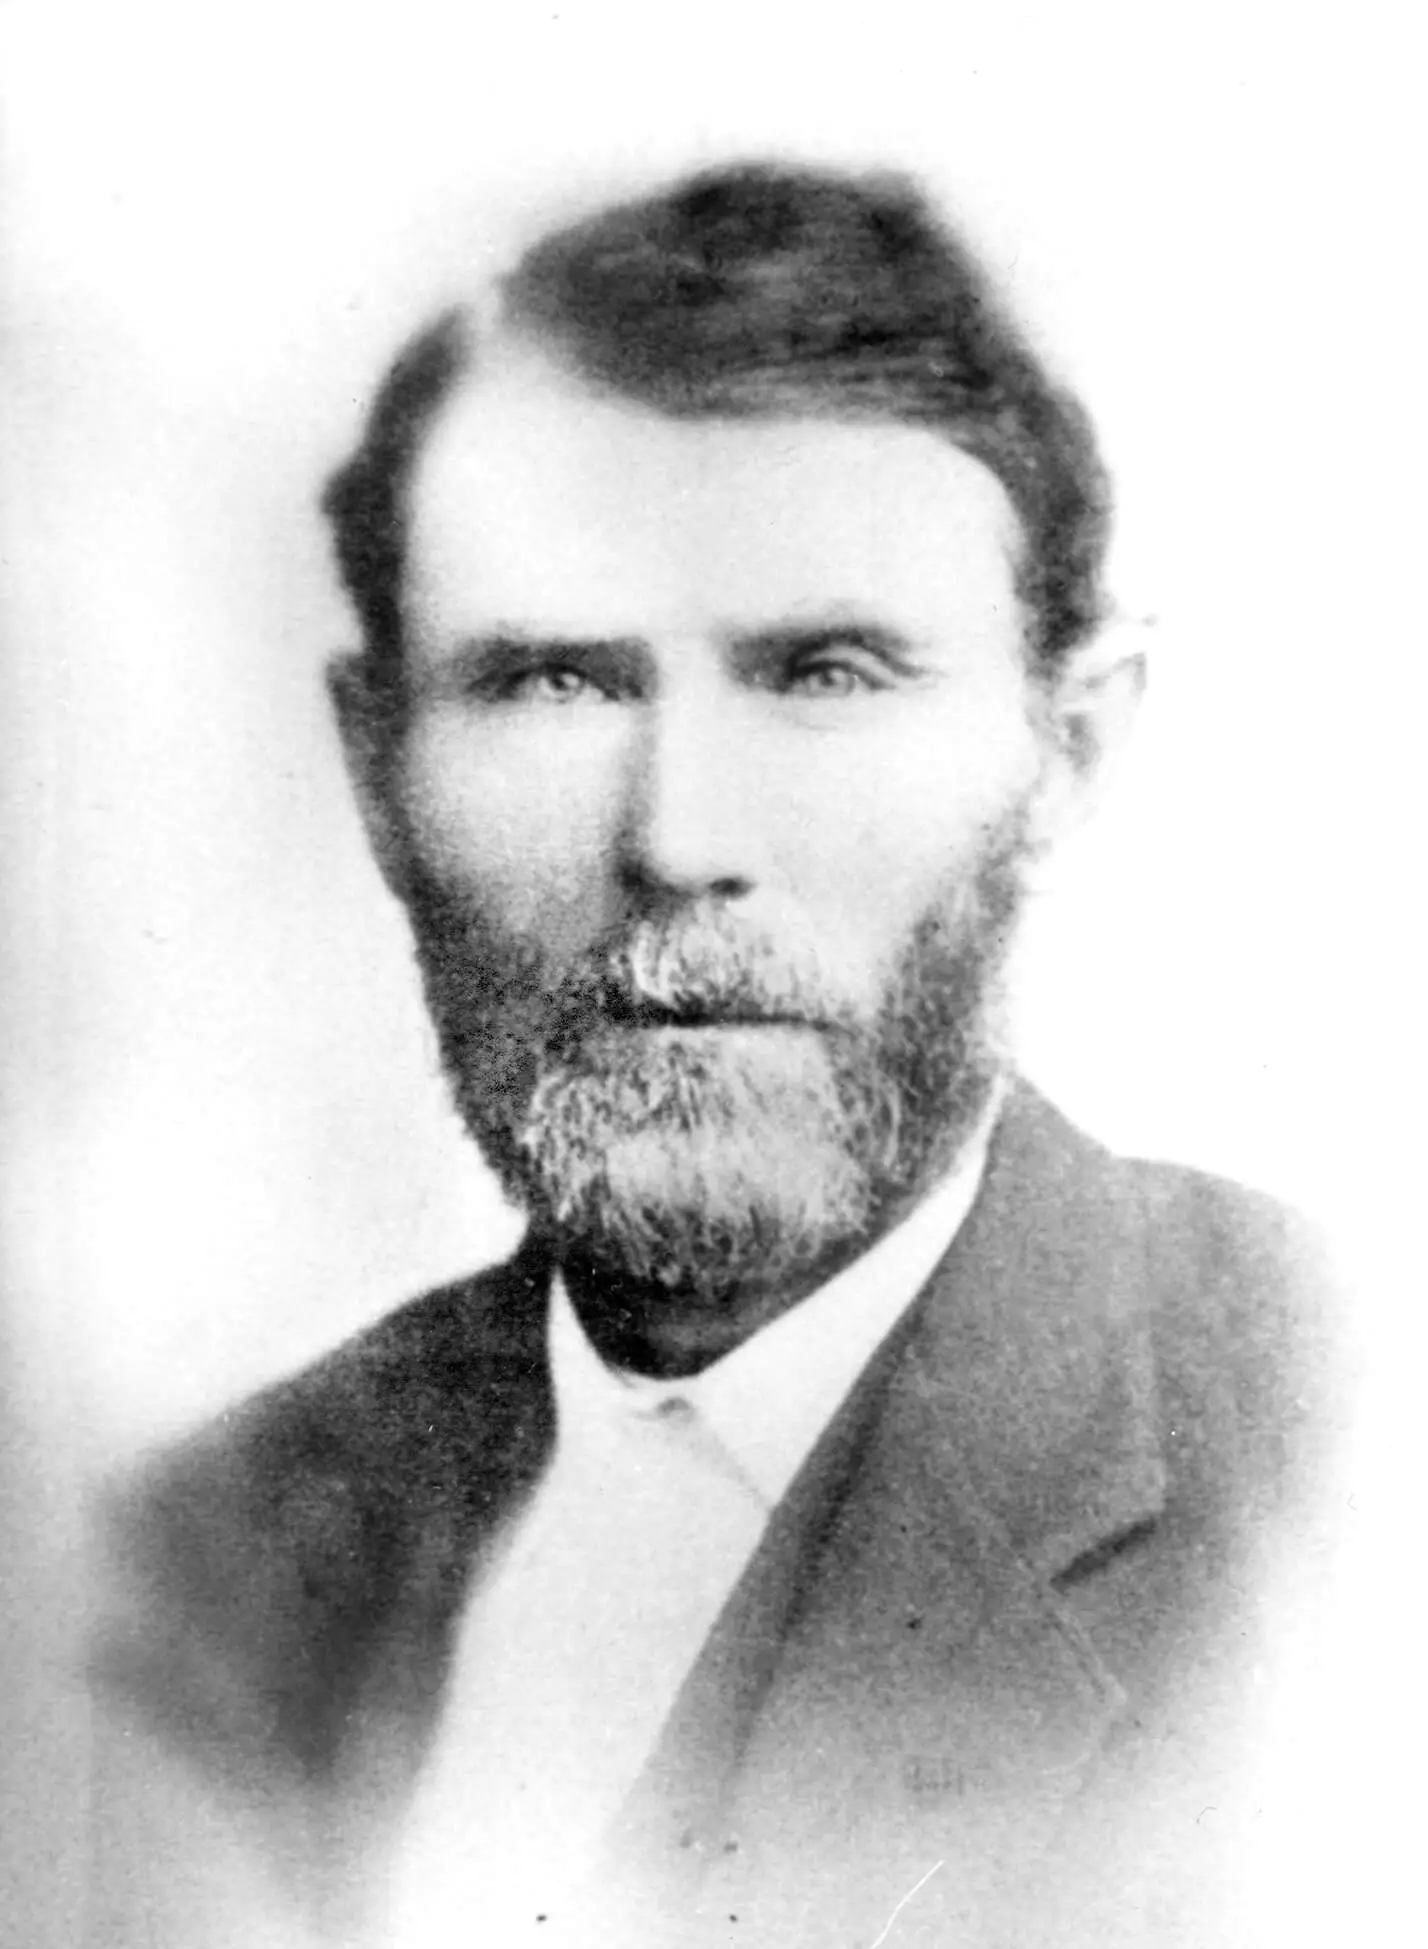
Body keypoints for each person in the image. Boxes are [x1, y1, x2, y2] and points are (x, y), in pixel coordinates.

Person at [94, 159, 1340, 1947]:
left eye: (828, 673)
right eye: (552, 683)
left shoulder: (1347, 1473)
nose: (679, 839)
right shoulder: (182, 1569)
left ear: (1071, 746)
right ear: (379, 771)